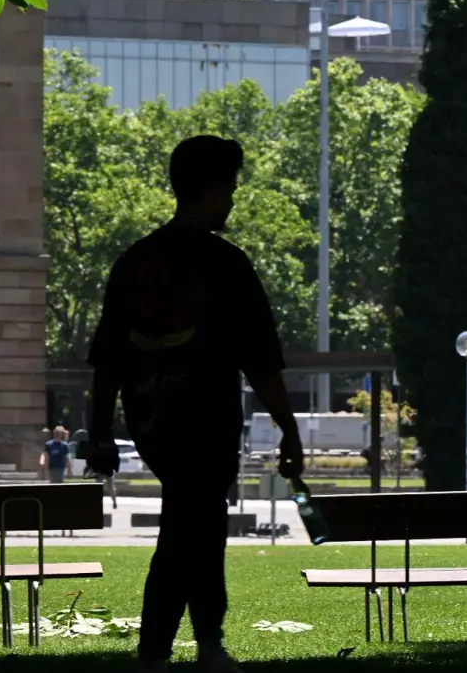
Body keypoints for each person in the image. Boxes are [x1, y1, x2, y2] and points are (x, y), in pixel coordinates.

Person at [84, 135, 304, 673]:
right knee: (194, 527)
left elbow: (108, 357)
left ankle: (194, 643)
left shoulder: (134, 260)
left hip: (153, 419)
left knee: (196, 525)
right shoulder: (226, 264)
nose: (231, 199)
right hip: (207, 419)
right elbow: (261, 361)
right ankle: (170, 647)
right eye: (228, 188)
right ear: (209, 190)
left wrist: (101, 431)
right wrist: (288, 429)